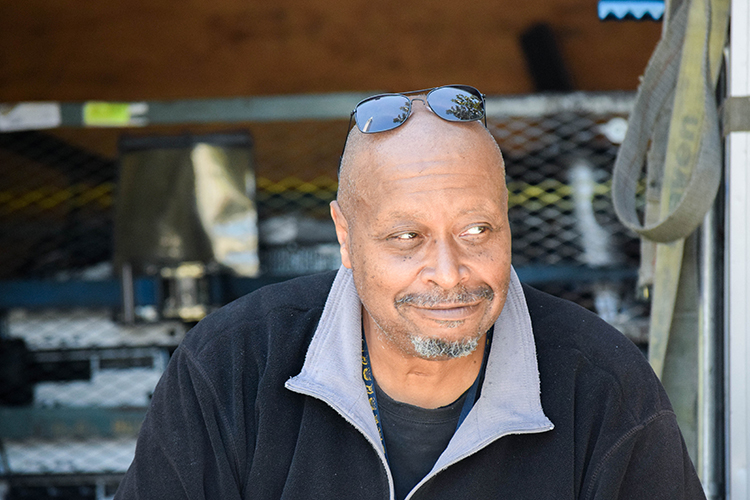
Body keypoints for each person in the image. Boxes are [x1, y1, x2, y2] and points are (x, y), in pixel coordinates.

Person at [115, 85, 705, 499]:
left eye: (477, 231)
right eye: (406, 237)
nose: (448, 273)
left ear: (507, 224)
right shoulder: (229, 367)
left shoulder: (604, 386)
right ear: (346, 238)